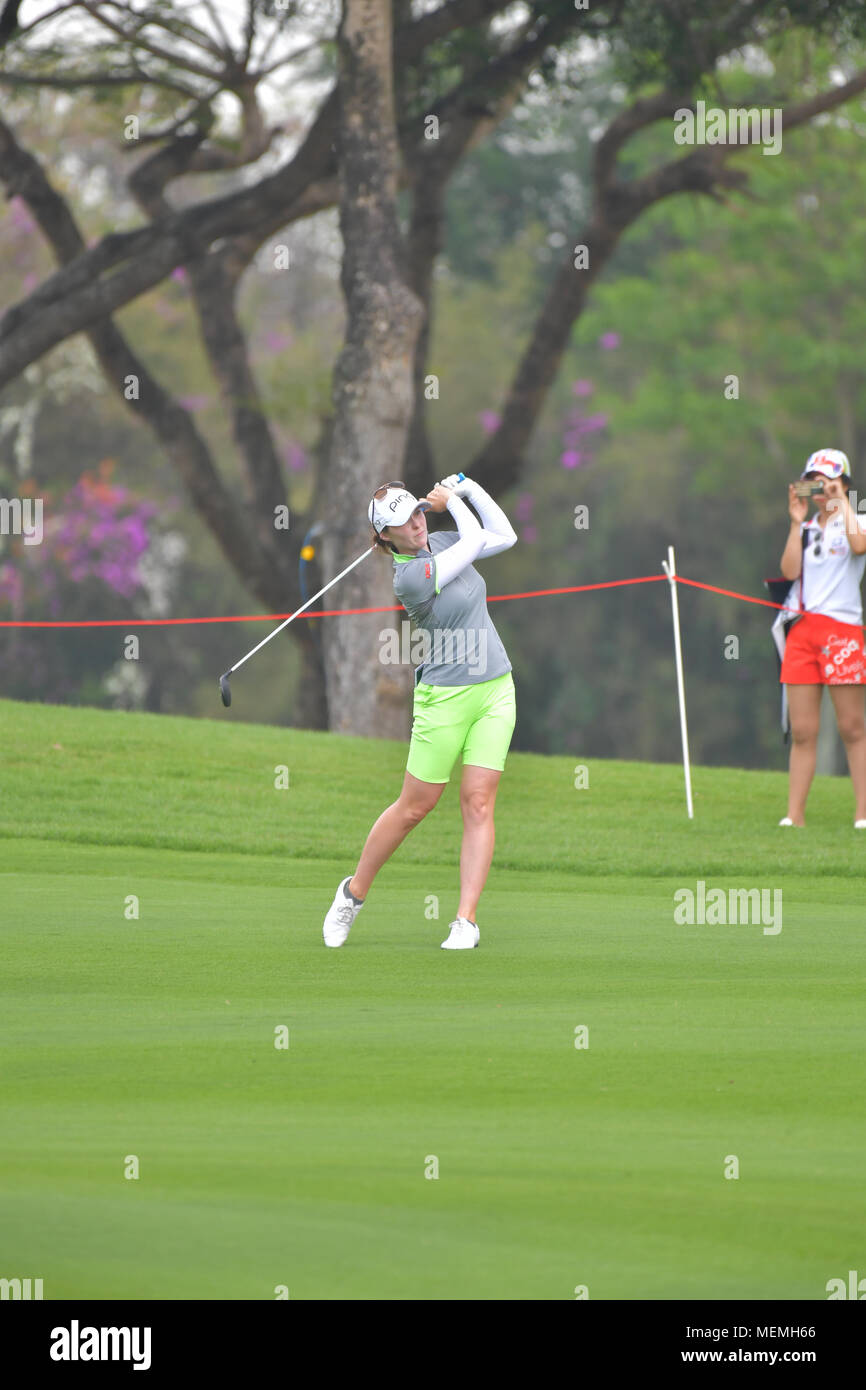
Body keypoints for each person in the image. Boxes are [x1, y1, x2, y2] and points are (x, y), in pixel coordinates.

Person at [321, 474, 517, 949]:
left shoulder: (443, 538)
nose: (415, 525)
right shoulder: (409, 577)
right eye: (402, 523)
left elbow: (505, 535)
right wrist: (453, 501)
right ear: (385, 537)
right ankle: (352, 893)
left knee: (478, 802)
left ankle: (465, 920)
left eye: (416, 514)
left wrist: (469, 491)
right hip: (444, 699)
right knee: (415, 807)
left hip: (496, 690)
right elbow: (473, 539)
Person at [777, 448, 866, 827]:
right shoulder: (808, 527)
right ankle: (794, 816)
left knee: (851, 726)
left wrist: (841, 501)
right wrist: (796, 523)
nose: (821, 489)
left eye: (828, 481)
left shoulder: (857, 518)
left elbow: (859, 546)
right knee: (803, 731)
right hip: (803, 631)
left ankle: (863, 813)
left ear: (844, 483)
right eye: (814, 481)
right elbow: (789, 570)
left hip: (842, 630)